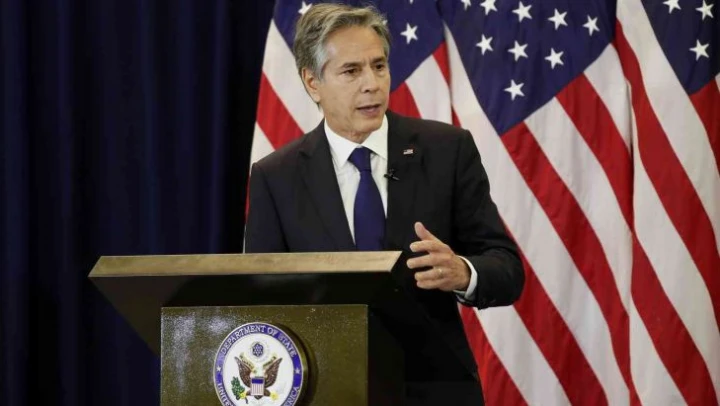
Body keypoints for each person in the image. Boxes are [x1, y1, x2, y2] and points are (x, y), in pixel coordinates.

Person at [244, 3, 524, 405]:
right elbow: (262, 299)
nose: (372, 84)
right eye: (351, 71)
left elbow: (507, 268)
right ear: (312, 82)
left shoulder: (447, 150)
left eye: (379, 66)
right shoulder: (277, 177)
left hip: (434, 390)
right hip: (328, 390)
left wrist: (463, 271)